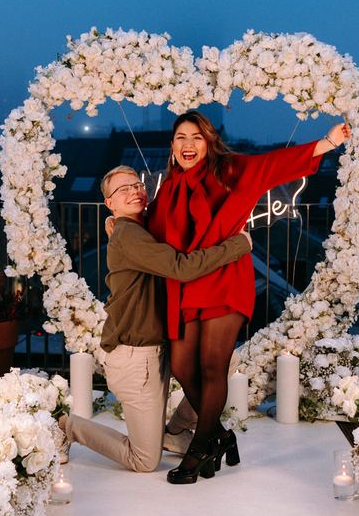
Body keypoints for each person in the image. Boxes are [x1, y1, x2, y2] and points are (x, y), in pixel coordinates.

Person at [147, 111, 352, 484]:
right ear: (172, 146)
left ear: (209, 142)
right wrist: (120, 221)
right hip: (187, 283)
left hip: (226, 277)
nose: (187, 145)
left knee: (212, 365)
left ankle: (199, 450)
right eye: (180, 138)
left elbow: (275, 164)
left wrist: (328, 142)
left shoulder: (231, 170)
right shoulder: (169, 189)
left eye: (196, 137)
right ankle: (220, 437)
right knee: (180, 366)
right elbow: (153, 233)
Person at [57, 165, 251, 473]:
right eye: (123, 189)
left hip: (160, 345)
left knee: (225, 361)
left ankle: (175, 432)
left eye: (137, 185)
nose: (134, 191)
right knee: (145, 461)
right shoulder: (129, 233)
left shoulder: (143, 225)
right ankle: (68, 427)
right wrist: (237, 246)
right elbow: (181, 267)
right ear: (110, 203)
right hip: (137, 358)